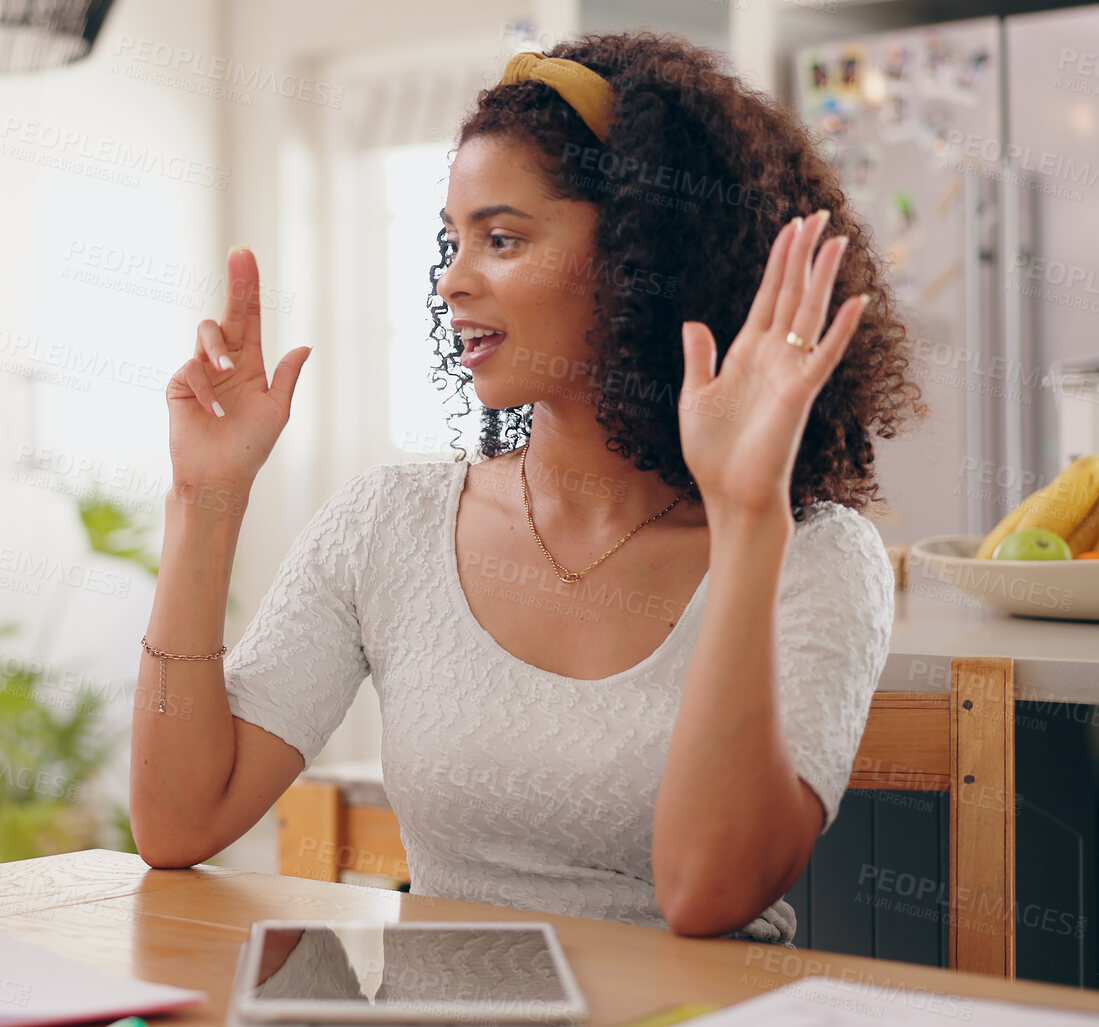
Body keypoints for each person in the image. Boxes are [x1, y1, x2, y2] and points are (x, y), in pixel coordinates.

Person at [129, 31, 924, 943]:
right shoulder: (388, 522)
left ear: (641, 257)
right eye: (451, 243)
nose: (452, 282)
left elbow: (708, 895)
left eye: (500, 238)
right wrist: (204, 496)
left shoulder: (815, 556)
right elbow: (178, 821)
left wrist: (745, 515)